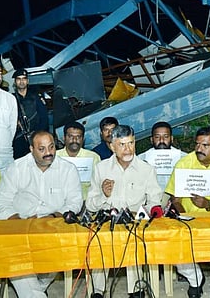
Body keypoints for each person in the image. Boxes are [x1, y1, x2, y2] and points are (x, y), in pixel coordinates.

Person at [0, 130, 83, 298]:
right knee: (16, 261)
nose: (48, 153)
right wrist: (18, 221)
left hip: (52, 229)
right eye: (41, 149)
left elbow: (75, 202)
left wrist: (53, 217)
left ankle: (36, 290)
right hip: (20, 227)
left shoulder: (67, 169)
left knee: (55, 256)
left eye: (51, 147)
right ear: (31, 149)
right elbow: (1, 200)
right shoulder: (17, 168)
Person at [86, 125, 163, 298]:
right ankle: (97, 292)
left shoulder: (147, 169)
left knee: (134, 241)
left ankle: (136, 291)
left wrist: (140, 214)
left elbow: (155, 203)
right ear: (112, 146)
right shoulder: (101, 168)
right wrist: (104, 195)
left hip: (134, 224)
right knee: (99, 243)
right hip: (107, 224)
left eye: (131, 143)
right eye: (122, 144)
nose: (128, 149)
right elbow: (90, 205)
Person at [165, 126, 210, 298]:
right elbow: (175, 199)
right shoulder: (184, 163)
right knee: (174, 247)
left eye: (205, 145)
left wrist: (209, 204)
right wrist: (184, 217)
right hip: (187, 218)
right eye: (197, 144)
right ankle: (195, 280)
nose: (199, 149)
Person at [138, 121, 187, 195]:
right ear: (152, 140)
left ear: (171, 138)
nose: (161, 140)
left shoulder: (184, 159)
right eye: (157, 137)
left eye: (166, 137)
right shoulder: (141, 159)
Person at [56, 121, 101, 200]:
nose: (74, 140)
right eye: (70, 136)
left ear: (83, 139)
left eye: (78, 137)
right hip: (60, 201)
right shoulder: (55, 157)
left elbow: (99, 183)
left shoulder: (93, 157)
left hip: (86, 201)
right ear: (64, 138)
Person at [11, 68, 49, 159]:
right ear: (15, 82)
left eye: (24, 79)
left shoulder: (35, 97)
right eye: (19, 79)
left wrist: (38, 137)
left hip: (35, 138)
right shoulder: (10, 99)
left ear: (27, 81)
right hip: (18, 140)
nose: (21, 81)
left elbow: (44, 119)